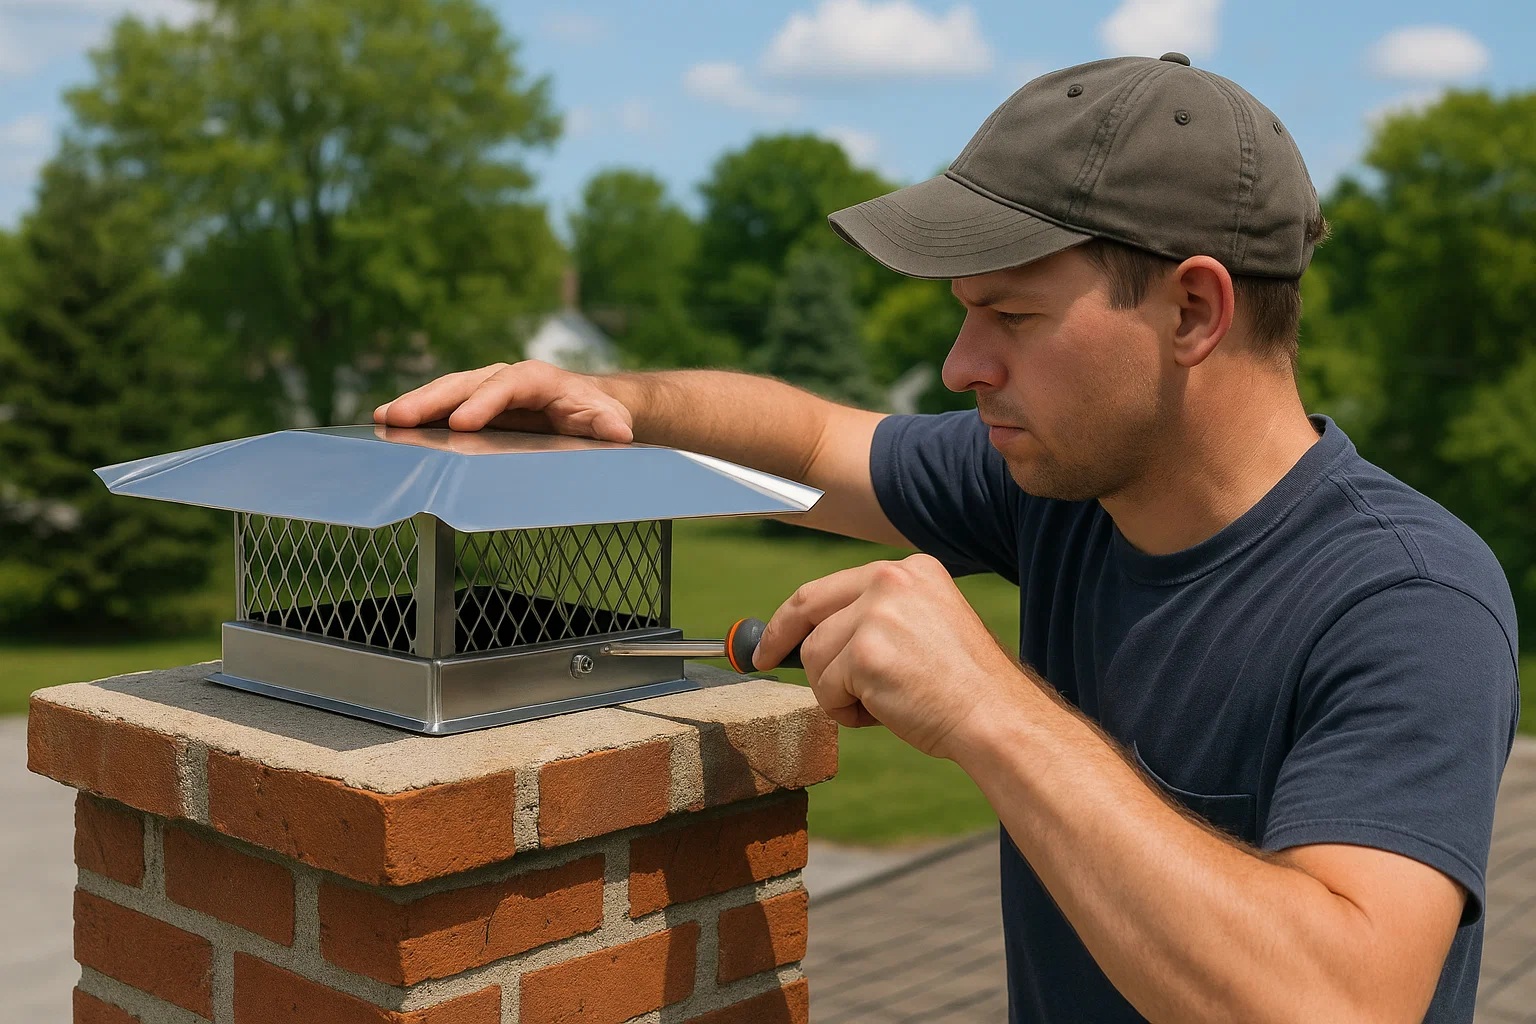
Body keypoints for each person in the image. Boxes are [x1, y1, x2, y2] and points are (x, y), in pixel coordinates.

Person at [376, 54, 1518, 1024]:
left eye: (1011, 315)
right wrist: (609, 399)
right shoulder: (1062, 482)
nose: (963, 366)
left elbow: (1343, 1000)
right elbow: (819, 444)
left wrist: (989, 704)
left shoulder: (1409, 599)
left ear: (1194, 310)